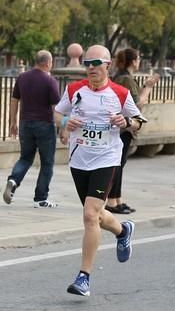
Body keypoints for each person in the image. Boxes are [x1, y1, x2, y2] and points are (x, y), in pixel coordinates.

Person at [55, 44, 145, 297]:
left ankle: (84, 277)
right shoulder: (74, 90)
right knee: (95, 214)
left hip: (106, 159)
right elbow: (57, 112)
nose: (91, 68)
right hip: (79, 159)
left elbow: (139, 122)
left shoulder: (120, 93)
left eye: (97, 63)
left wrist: (126, 122)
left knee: (89, 215)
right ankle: (123, 230)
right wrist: (64, 121)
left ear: (108, 66)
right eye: (87, 63)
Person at [3, 50, 61, 208]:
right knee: (47, 163)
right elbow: (56, 109)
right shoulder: (50, 82)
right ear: (48, 63)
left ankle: (13, 180)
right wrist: (63, 129)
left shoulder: (22, 78)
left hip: (25, 123)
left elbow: (14, 100)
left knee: (25, 157)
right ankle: (40, 198)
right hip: (45, 125)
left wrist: (12, 122)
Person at [107, 48, 156, 214]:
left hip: (121, 127)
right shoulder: (126, 79)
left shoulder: (119, 77)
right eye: (138, 58)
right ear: (133, 61)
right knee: (118, 165)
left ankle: (117, 200)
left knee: (119, 164)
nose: (139, 61)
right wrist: (148, 87)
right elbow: (136, 105)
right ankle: (112, 202)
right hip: (124, 127)